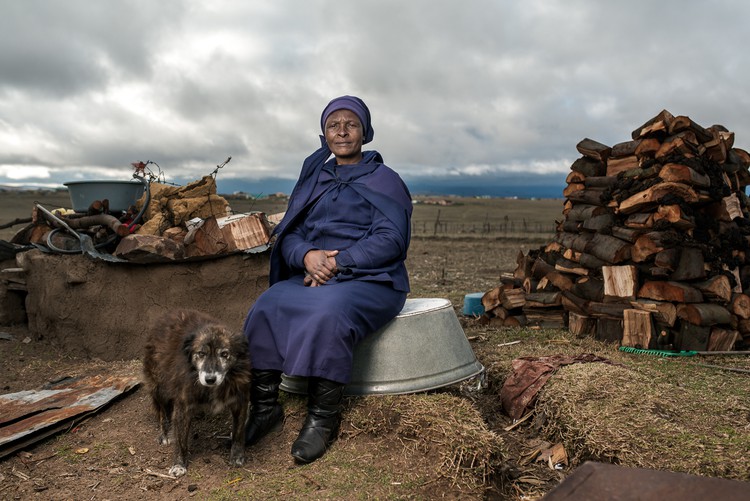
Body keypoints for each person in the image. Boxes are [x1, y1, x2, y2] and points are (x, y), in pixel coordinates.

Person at [242, 95, 412, 464]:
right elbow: (289, 233)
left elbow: (391, 240)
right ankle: (265, 406)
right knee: (266, 305)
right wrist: (307, 256)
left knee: (329, 312)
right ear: (324, 133)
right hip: (314, 272)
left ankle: (322, 418)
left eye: (351, 124)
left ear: (365, 131)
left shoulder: (386, 181)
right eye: (334, 125)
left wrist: (336, 263)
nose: (342, 131)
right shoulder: (314, 178)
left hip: (371, 278)